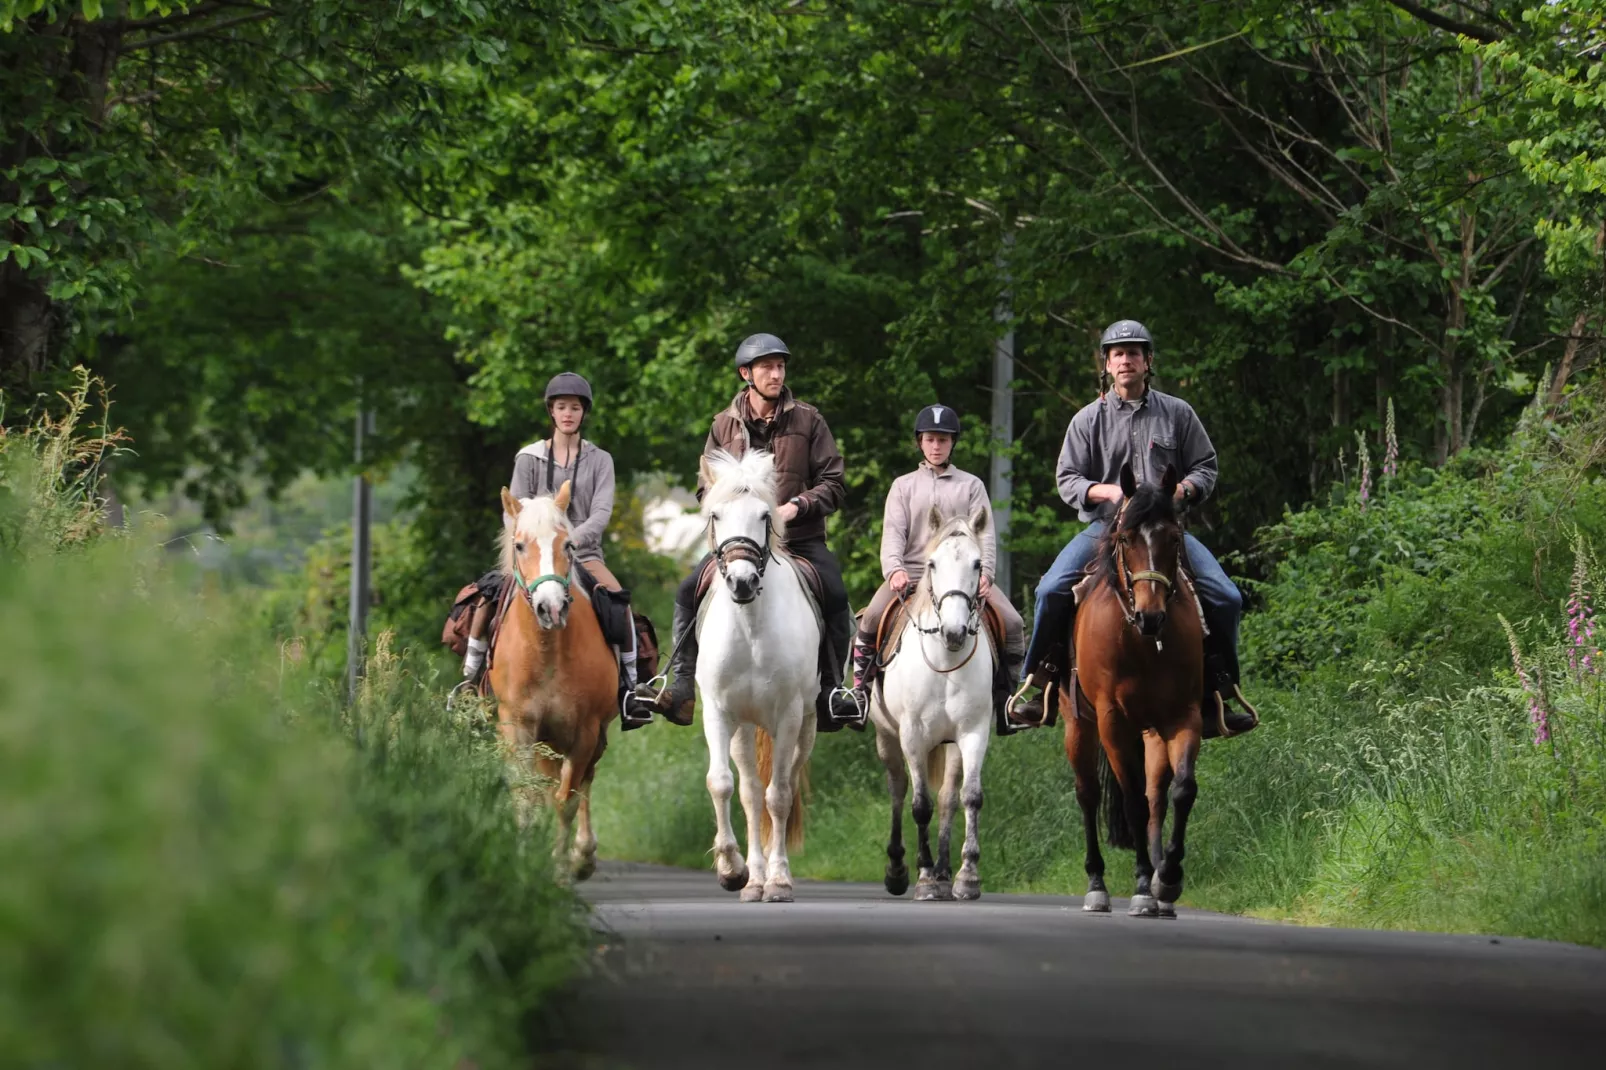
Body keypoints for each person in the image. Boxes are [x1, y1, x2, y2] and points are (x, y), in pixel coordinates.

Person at [1009, 320, 1259, 736]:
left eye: (1134, 353)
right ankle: (1038, 684)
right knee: (1050, 589)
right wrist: (1104, 492)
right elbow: (1067, 478)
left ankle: (1222, 689)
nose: (1126, 360)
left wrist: (1184, 489)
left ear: (1148, 362)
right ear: (1106, 365)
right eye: (1118, 354)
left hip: (1163, 531)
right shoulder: (1088, 420)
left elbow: (1206, 466)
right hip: (1107, 530)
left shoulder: (1178, 413)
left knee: (1227, 597)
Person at [639, 333, 859, 729]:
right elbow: (705, 485)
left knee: (837, 594)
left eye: (780, 366)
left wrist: (795, 507)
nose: (776, 374)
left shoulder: (809, 419)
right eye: (767, 368)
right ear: (747, 374)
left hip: (800, 540)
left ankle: (831, 690)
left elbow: (834, 481)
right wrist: (725, 505)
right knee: (688, 590)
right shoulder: (723, 425)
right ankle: (682, 687)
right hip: (739, 543)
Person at [456, 372, 654, 726]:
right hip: (532, 555)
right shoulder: (528, 459)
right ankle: (470, 681)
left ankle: (630, 689)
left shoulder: (600, 461)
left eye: (575, 408)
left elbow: (602, 512)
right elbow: (511, 510)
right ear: (551, 412)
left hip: (583, 553)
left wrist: (572, 540)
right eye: (561, 407)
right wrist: (527, 544)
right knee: (486, 599)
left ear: (583, 413)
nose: (568, 414)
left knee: (618, 604)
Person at [838, 403, 1026, 733]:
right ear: (920, 442)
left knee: (1012, 621)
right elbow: (892, 533)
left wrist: (986, 574)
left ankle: (1008, 700)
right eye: (930, 439)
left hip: (962, 576)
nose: (936, 446)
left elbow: (986, 535)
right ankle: (860, 695)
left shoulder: (971, 486)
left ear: (953, 443)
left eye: (943, 439)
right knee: (870, 618)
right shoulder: (903, 486)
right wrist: (893, 569)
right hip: (911, 573)